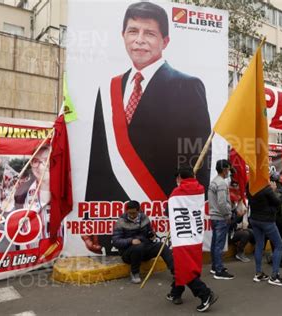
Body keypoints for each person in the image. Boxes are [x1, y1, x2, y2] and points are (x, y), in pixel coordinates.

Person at [84, 1, 211, 255]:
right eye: (133, 31)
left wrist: (187, 212)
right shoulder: (109, 90)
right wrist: (90, 219)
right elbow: (98, 161)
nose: (139, 40)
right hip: (116, 220)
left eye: (149, 33)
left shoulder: (187, 86)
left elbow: (197, 156)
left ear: (165, 41)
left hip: (162, 213)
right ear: (123, 36)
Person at [167, 166, 217, 312]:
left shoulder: (177, 192)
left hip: (182, 237)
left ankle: (205, 294)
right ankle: (175, 293)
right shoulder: (200, 189)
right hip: (194, 236)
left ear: (180, 178)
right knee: (181, 265)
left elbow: (168, 211)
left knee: (185, 268)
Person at [112, 200, 174, 284]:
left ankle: (176, 272)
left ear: (138, 211)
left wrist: (152, 235)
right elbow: (116, 241)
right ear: (126, 211)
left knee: (161, 246)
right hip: (128, 253)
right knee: (138, 247)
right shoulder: (121, 221)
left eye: (133, 213)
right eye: (129, 213)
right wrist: (131, 241)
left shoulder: (144, 218)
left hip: (144, 248)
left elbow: (150, 232)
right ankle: (134, 273)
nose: (131, 215)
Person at [247, 178, 282, 287]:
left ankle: (258, 273)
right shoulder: (266, 188)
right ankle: (275, 276)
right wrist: (274, 190)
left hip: (254, 219)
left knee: (260, 244)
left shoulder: (250, 185)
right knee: (280, 245)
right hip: (267, 221)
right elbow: (278, 202)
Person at [208, 159, 234, 280]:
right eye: (228, 168)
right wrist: (227, 215)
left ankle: (215, 266)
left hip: (214, 216)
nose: (229, 171)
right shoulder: (222, 183)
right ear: (224, 169)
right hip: (220, 217)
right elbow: (222, 203)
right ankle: (218, 270)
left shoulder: (214, 181)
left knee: (215, 244)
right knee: (219, 245)